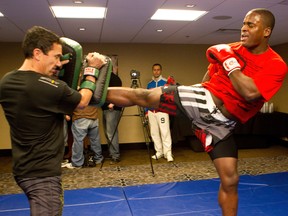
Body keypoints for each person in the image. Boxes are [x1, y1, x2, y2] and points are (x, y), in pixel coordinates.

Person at [102, 9, 287, 215]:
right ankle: (87, 93)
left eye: (251, 25)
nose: (243, 28)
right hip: (202, 100)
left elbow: (250, 93)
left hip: (222, 125)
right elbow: (210, 73)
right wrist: (201, 88)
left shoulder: (275, 65)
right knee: (144, 96)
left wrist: (229, 63)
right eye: (243, 24)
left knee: (230, 180)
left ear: (266, 31)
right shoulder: (231, 49)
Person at [0, 26, 106, 215]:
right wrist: (92, 70)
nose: (59, 62)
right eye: (56, 56)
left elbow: (39, 93)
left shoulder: (8, 81)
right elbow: (82, 101)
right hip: (43, 174)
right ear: (38, 53)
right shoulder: (48, 87)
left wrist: (59, 66)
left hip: (23, 167)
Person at [145, 63, 173, 162]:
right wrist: (146, 111)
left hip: (162, 111)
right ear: (152, 71)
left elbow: (170, 98)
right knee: (154, 132)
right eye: (154, 70)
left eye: (158, 70)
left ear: (161, 71)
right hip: (151, 112)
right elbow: (146, 99)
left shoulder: (165, 82)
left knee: (165, 132)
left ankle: (168, 153)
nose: (156, 71)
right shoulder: (149, 84)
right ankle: (159, 152)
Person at [101, 71, 123, 164]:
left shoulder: (114, 78)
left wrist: (112, 103)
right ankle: (112, 153)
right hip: (105, 108)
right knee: (107, 133)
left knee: (111, 133)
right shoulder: (104, 78)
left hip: (112, 108)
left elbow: (118, 92)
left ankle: (115, 156)